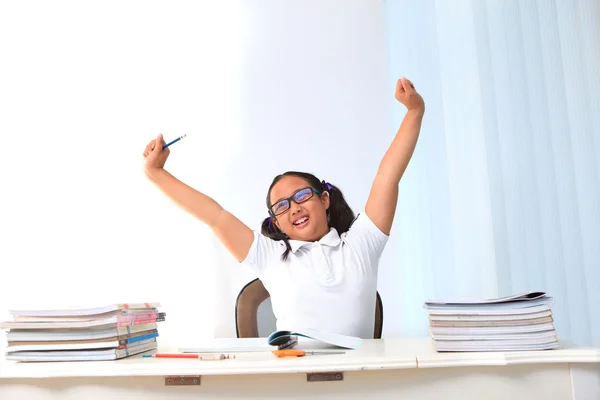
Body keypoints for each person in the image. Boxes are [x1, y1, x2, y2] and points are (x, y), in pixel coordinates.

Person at [143, 77, 425, 338]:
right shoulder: (269, 256)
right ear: (276, 223)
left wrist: (414, 111)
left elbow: (388, 176)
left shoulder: (361, 244)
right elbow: (215, 216)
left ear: (324, 200)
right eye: (281, 206)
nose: (294, 208)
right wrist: (156, 173)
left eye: (302, 195)